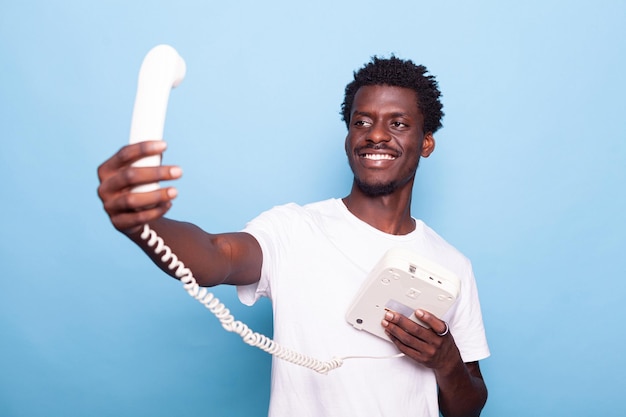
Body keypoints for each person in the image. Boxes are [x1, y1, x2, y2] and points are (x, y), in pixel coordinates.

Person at [97, 56, 490, 417]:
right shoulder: (293, 229)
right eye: (362, 121)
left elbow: (467, 408)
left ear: (426, 143)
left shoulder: (453, 266)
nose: (376, 135)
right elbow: (217, 254)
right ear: (349, 136)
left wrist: (446, 362)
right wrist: (143, 225)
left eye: (398, 123)